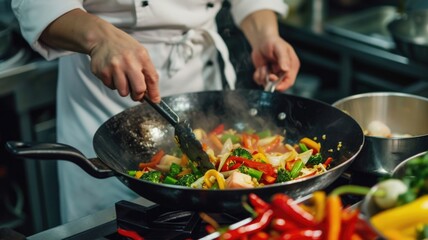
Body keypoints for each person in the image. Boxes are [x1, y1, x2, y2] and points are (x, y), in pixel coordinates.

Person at [11, 0, 300, 223]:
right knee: (113, 221)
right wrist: (99, 38)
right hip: (106, 91)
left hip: (200, 70)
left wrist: (265, 34)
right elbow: (38, 5)